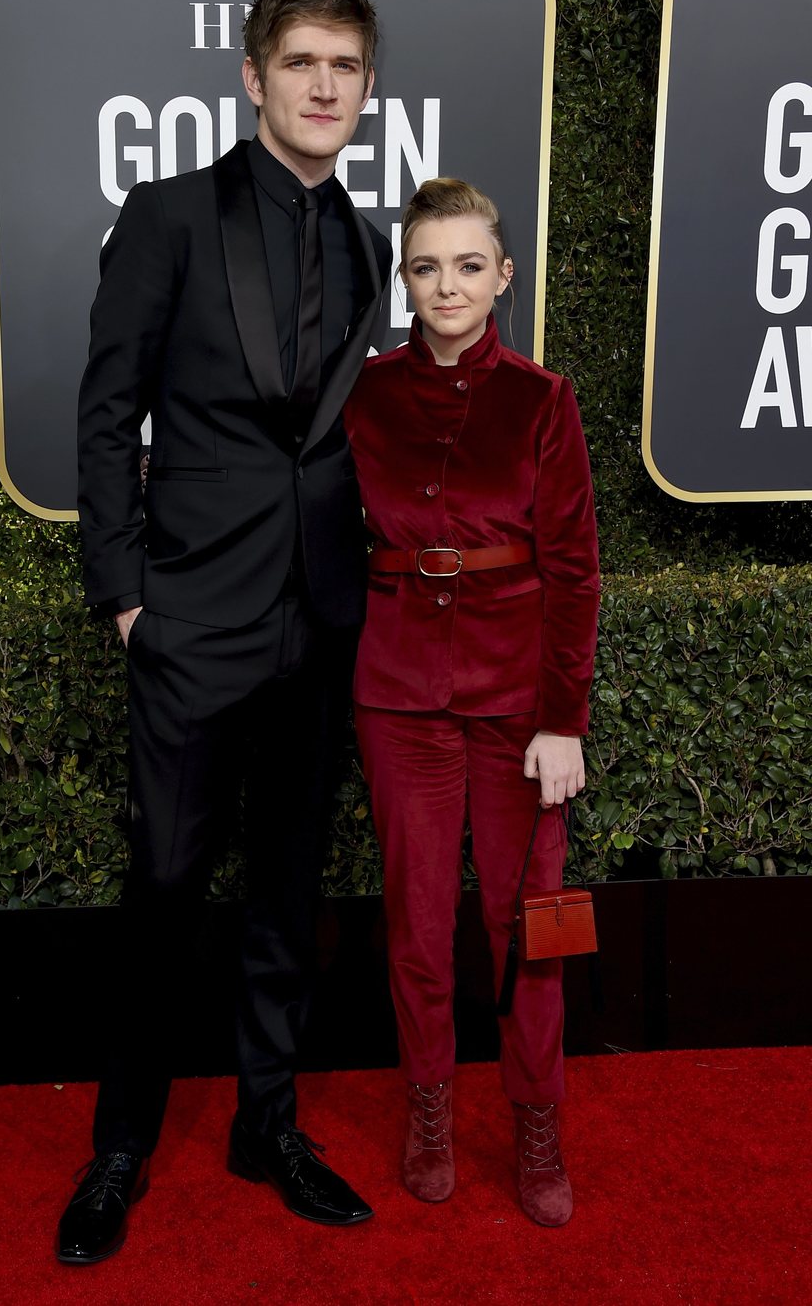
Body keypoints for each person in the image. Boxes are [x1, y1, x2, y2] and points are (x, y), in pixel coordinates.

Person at [59, 0, 392, 1264]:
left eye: (346, 67)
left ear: (364, 88)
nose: (324, 86)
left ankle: (268, 1121)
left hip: (321, 616)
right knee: (164, 882)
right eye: (302, 62)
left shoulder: (368, 242)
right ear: (255, 76)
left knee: (289, 885)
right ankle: (122, 1144)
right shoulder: (169, 215)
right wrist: (130, 594)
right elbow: (103, 412)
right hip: (191, 615)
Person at [343, 178, 600, 1227]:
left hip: (517, 707)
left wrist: (563, 721)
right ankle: (431, 1114)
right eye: (423, 266)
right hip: (399, 695)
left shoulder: (544, 400)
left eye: (465, 264)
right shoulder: (361, 395)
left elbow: (576, 569)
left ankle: (537, 1126)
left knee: (530, 928)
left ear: (501, 275)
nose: (445, 285)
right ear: (404, 280)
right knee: (415, 928)